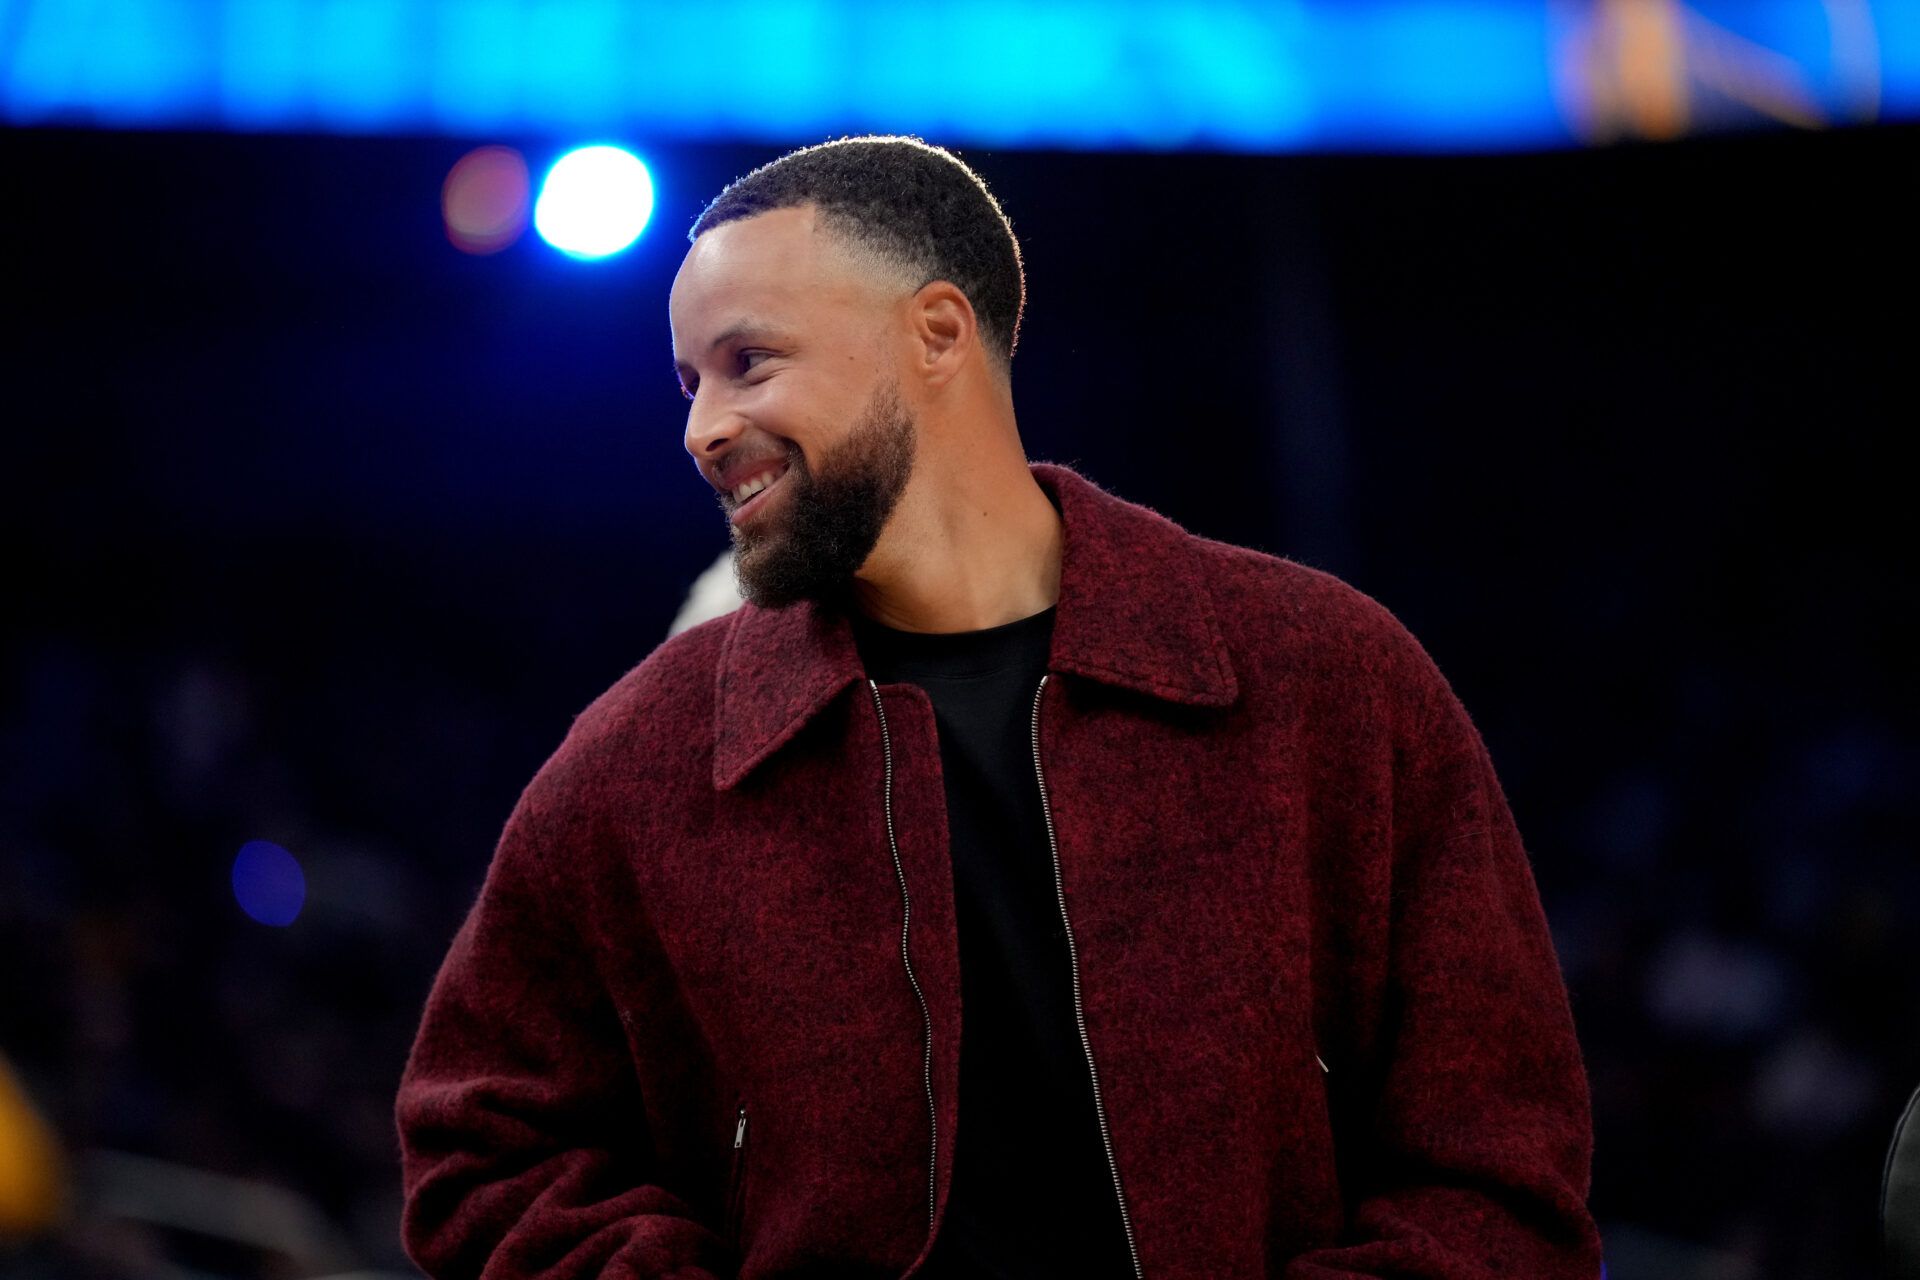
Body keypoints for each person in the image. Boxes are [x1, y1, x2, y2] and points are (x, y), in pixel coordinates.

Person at [395, 135, 1603, 1280]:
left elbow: (1501, 1170)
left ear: (935, 333)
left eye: (748, 360)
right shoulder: (643, 755)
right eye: (687, 380)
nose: (702, 427)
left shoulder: (1327, 679)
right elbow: (481, 1143)